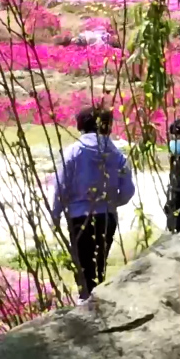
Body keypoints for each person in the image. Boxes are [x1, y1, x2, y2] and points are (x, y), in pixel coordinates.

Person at [49, 106, 136, 300]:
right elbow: (128, 191)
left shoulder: (73, 152)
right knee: (99, 265)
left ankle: (85, 304)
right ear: (108, 126)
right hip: (107, 217)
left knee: (83, 267)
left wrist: (55, 214)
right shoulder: (117, 154)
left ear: (81, 125)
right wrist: (112, 203)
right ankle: (96, 302)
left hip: (79, 216)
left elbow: (61, 186)